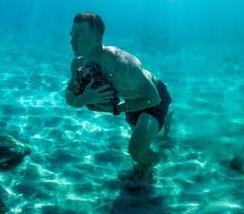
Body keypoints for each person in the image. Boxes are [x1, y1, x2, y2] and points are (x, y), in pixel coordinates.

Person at [64, 12, 172, 185]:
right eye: (71, 35)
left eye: (79, 35)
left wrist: (114, 109)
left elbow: (153, 98)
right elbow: (70, 98)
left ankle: (152, 164)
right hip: (130, 104)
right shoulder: (78, 64)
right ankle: (165, 124)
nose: (72, 41)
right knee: (147, 139)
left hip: (154, 99)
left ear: (97, 35)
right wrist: (84, 98)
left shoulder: (122, 63)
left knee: (136, 151)